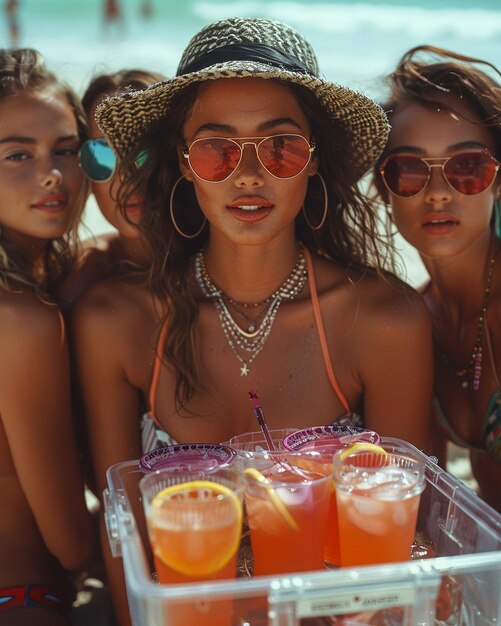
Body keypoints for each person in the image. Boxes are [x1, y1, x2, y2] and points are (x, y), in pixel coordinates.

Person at [73, 17, 433, 625]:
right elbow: (123, 545)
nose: (248, 174)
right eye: (216, 149)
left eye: (280, 146)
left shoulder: (384, 322)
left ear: (314, 161)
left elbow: (397, 545)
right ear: (185, 165)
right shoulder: (116, 324)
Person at [372, 45, 501, 511]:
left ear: (499, 179)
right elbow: (425, 496)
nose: (438, 193)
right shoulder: (417, 322)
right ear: (385, 189)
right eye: (408, 170)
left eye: (467, 167)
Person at [0, 48, 96, 625]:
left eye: (65, 149)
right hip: (23, 598)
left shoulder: (46, 285)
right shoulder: (22, 320)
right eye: (17, 155)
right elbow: (71, 542)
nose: (51, 173)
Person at [60, 69, 164, 306]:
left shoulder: (240, 267)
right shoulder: (76, 282)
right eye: (101, 154)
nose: (126, 176)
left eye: (143, 153)